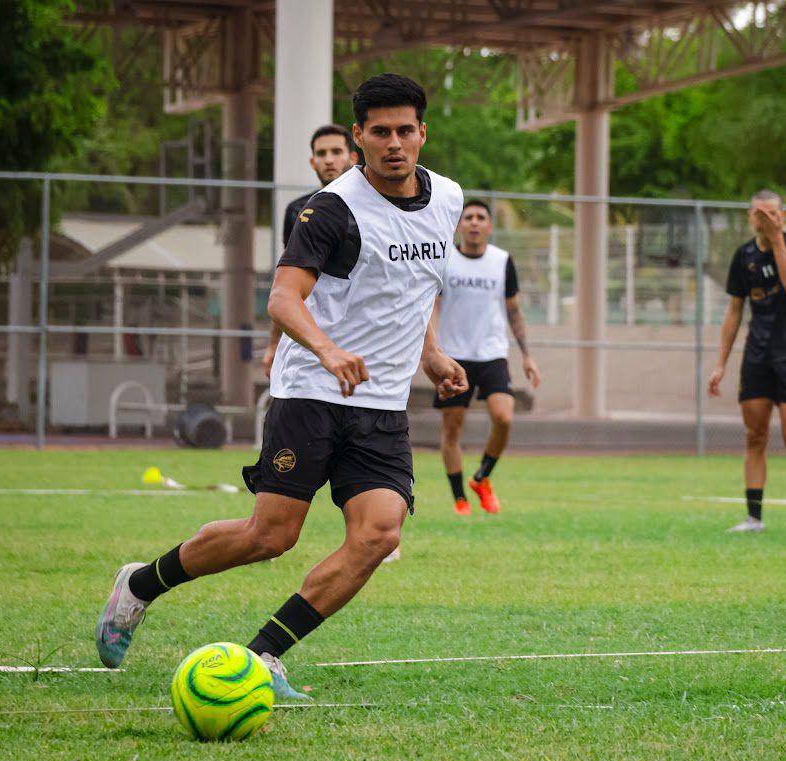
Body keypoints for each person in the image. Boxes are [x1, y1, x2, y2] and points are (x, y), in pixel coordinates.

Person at [95, 74, 467, 698]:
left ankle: (263, 654)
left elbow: (420, 283)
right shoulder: (333, 210)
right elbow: (283, 298)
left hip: (380, 406)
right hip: (312, 395)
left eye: (406, 130)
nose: (395, 144)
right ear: (358, 138)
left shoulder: (448, 198)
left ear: (423, 132)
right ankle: (139, 585)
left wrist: (430, 352)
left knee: (379, 534)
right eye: (381, 132)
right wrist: (326, 348)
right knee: (271, 536)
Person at [707, 189, 786, 533]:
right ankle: (754, 518)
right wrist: (721, 363)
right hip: (758, 356)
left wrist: (776, 242)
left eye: (772, 213)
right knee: (755, 435)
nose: (766, 219)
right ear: (750, 217)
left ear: (783, 216)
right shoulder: (743, 256)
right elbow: (734, 311)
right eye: (760, 213)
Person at [433, 199, 540, 515]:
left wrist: (527, 356)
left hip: (492, 353)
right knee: (453, 429)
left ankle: (482, 478)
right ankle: (460, 499)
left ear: (490, 227)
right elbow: (433, 307)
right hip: (454, 355)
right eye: (469, 218)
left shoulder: (501, 261)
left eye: (481, 218)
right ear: (460, 225)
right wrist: (434, 349)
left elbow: (514, 311)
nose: (475, 223)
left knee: (504, 417)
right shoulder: (447, 259)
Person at [265, 124, 358, 380]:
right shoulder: (299, 211)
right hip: (311, 342)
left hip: (361, 339)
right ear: (312, 161)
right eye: (321, 153)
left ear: (352, 157)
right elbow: (286, 284)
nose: (328, 159)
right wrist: (274, 345)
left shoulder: (374, 207)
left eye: (336, 151)